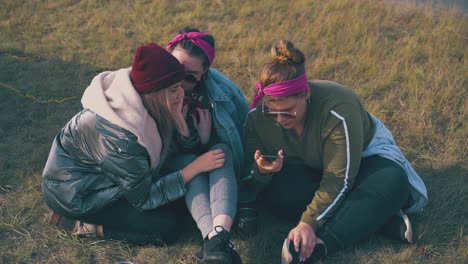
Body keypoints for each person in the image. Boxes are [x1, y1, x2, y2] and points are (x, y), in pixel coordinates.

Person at [241, 40, 428, 263]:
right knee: (277, 193)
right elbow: (250, 180)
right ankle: (379, 219)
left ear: (306, 93)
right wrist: (263, 171)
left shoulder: (339, 109)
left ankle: (319, 247)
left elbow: (338, 179)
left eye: (289, 112)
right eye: (273, 112)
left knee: (393, 180)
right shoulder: (256, 118)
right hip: (311, 169)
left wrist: (307, 224)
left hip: (365, 160)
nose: (280, 120)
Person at [42, 43, 227, 246]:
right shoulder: (121, 136)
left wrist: (183, 130)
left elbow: (166, 155)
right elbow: (144, 198)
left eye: (181, 87)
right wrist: (194, 168)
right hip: (79, 194)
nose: (181, 95)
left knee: (183, 206)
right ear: (156, 93)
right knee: (168, 228)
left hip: (116, 181)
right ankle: (79, 225)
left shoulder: (149, 101)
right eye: (174, 90)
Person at [165, 27, 248, 264]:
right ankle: (218, 241)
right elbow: (161, 156)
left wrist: (201, 140)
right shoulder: (151, 86)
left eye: (189, 77)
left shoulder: (222, 95)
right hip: (173, 172)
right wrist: (182, 131)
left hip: (207, 165)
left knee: (220, 151)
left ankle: (215, 240)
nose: (179, 82)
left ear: (204, 74)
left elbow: (235, 143)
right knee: (187, 161)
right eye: (175, 70)